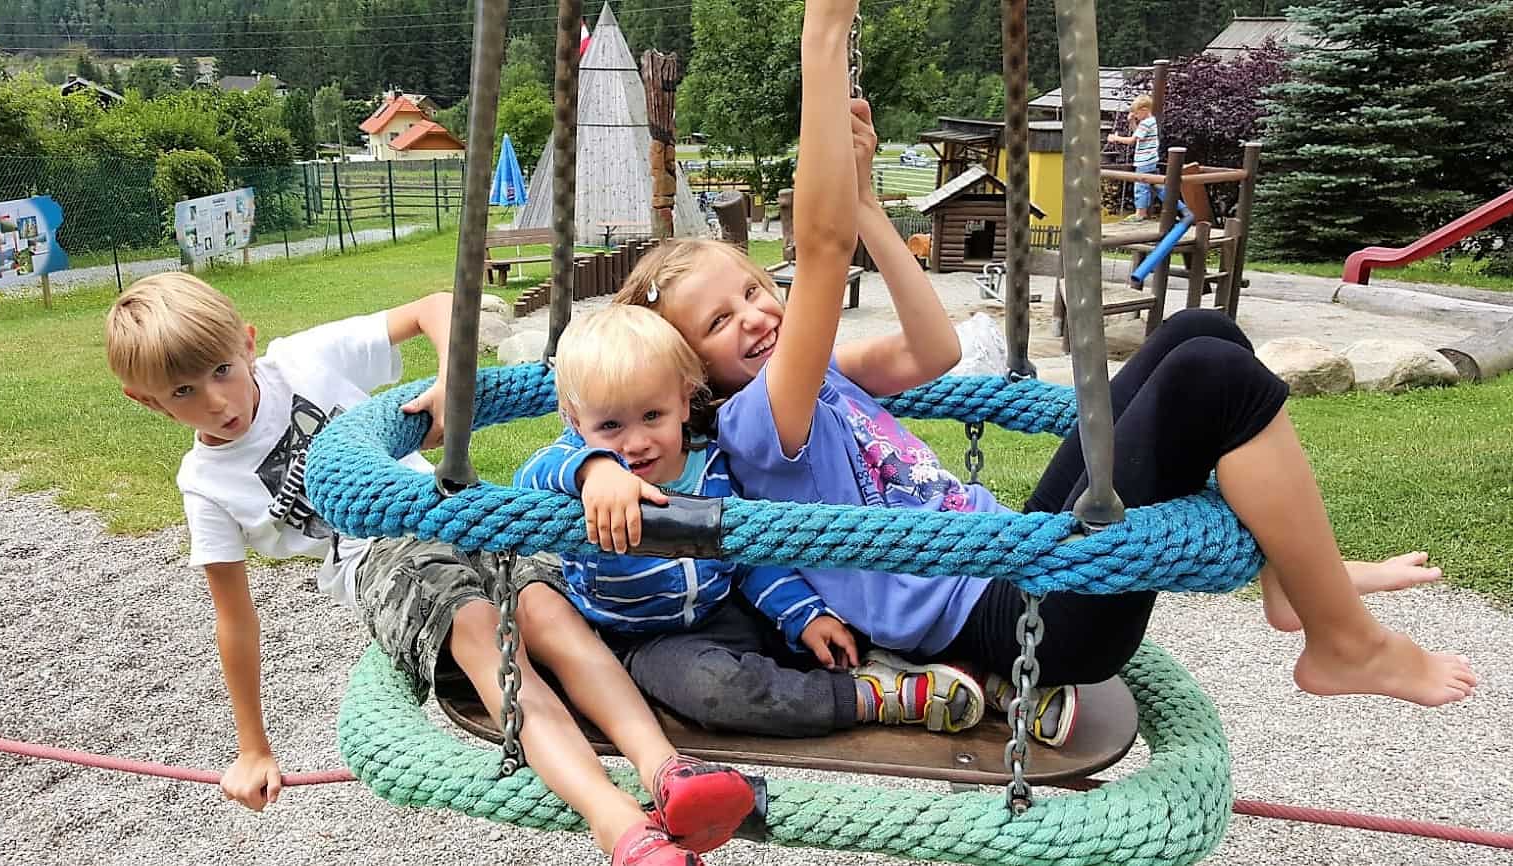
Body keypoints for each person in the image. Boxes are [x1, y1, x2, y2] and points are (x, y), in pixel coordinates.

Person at [588, 0, 1476, 718]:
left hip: (1013, 556)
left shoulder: (816, 382)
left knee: (1198, 336)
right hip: (1025, 622)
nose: (753, 316)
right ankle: (1342, 639)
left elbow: (931, 349)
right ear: (693, 374)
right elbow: (816, 254)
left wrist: (867, 211)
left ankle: (1298, 587)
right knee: (1215, 384)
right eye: (718, 322)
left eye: (751, 291)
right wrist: (824, 32)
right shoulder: (757, 425)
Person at [103, 273, 757, 866]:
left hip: (449, 508)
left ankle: (667, 771)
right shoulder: (207, 483)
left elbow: (434, 307)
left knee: (549, 614)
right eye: (183, 392)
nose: (217, 401)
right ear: (149, 402)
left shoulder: (301, 360)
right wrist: (252, 746)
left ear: (246, 343)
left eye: (222, 369)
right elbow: (234, 619)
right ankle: (618, 825)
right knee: (485, 635)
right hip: (381, 556)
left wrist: (450, 377)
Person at [516, 304, 985, 736]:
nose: (635, 443)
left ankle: (922, 668)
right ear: (577, 423)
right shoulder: (578, 466)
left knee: (826, 615)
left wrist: (804, 615)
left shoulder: (714, 467)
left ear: (684, 402)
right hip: (643, 635)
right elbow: (527, 482)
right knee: (716, 690)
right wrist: (592, 469)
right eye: (610, 427)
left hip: (724, 608)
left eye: (652, 415)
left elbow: (749, 558)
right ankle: (868, 697)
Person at [1107, 94, 1161, 222]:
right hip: (1151, 159)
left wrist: (1116, 138)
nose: (1135, 116)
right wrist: (1132, 121)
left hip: (1144, 161)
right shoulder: (1150, 121)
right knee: (1156, 186)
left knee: (1140, 186)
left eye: (1136, 114)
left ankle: (1140, 213)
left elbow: (1132, 140)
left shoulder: (1146, 124)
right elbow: (1138, 134)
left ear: (1144, 110)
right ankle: (1180, 207)